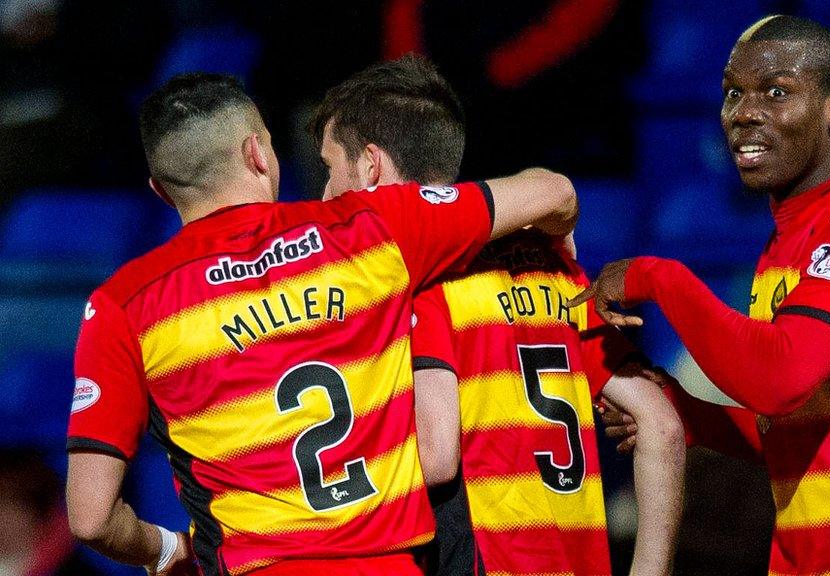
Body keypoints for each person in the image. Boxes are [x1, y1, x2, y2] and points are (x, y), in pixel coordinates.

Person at [64, 72, 579, 576]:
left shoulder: (123, 305)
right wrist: (556, 242)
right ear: (257, 154)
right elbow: (553, 191)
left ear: (160, 189)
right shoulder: (369, 227)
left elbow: (89, 518)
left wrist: (162, 550)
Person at [573, 15, 830, 575]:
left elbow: (779, 379)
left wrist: (660, 277)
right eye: (732, 93)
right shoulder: (784, 247)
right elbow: (800, 429)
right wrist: (688, 413)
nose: (744, 112)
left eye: (776, 92)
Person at [310, 55, 685, 576]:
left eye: (330, 170)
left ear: (371, 166)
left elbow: (437, 457)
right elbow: (662, 425)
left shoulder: (417, 279)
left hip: (487, 558)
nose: (325, 195)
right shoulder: (551, 266)